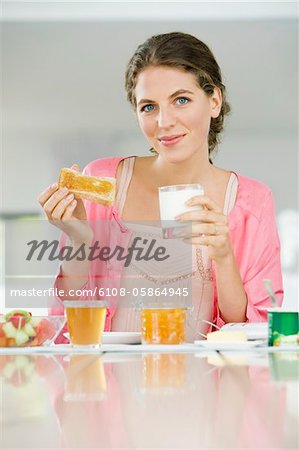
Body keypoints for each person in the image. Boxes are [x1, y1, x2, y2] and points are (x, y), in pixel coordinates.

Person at [38, 32, 283, 342]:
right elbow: (70, 320)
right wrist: (80, 239)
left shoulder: (252, 201)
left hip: (206, 387)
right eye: (148, 107)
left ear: (214, 101)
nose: (164, 122)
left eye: (181, 100)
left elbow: (252, 329)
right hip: (111, 385)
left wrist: (223, 256)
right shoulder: (104, 181)